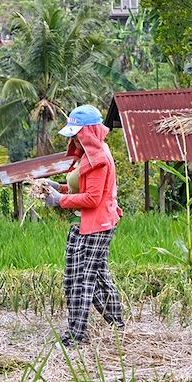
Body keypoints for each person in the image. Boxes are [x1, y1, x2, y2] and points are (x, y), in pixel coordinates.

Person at [37, 104, 125, 348]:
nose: (74, 138)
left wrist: (59, 201)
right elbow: (81, 188)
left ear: (89, 132)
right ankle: (116, 323)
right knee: (93, 276)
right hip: (86, 224)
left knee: (82, 279)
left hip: (98, 225)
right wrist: (57, 187)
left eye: (78, 134)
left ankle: (76, 335)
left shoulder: (98, 159)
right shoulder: (86, 156)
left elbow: (93, 198)